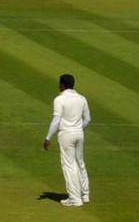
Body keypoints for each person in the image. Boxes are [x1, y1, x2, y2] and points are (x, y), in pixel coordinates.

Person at [44, 73, 92, 206]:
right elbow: (88, 119)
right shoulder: (82, 98)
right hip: (79, 134)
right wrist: (78, 128)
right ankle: (85, 195)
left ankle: (75, 199)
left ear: (62, 86)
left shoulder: (59, 99)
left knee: (69, 166)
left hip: (66, 135)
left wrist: (48, 137)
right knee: (80, 162)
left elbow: (56, 120)